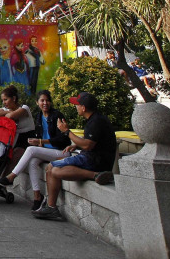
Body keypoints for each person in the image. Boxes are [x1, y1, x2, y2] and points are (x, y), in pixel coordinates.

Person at [33, 92, 117, 220]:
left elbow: (88, 145)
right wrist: (76, 145)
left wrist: (67, 132)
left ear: (83, 108)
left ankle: (95, 175)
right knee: (51, 169)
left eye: (77, 105)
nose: (75, 107)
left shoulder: (96, 121)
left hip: (95, 160)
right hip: (93, 157)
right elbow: (92, 142)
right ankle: (51, 207)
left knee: (53, 168)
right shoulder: (95, 119)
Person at [0, 90, 71, 210]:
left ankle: (11, 176)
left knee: (31, 150)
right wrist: (39, 142)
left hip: (62, 152)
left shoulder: (57, 115)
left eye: (47, 100)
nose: (45, 103)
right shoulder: (39, 116)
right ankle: (37, 196)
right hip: (48, 151)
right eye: (42, 100)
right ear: (37, 103)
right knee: (32, 161)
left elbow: (63, 139)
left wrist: (41, 142)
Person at [0, 85, 36, 152]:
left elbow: (10, 116)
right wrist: (8, 111)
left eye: (5, 99)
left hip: (27, 138)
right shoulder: (6, 109)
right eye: (2, 100)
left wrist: (7, 113)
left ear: (13, 98)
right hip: (14, 138)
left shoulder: (24, 108)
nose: (4, 102)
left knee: (16, 152)